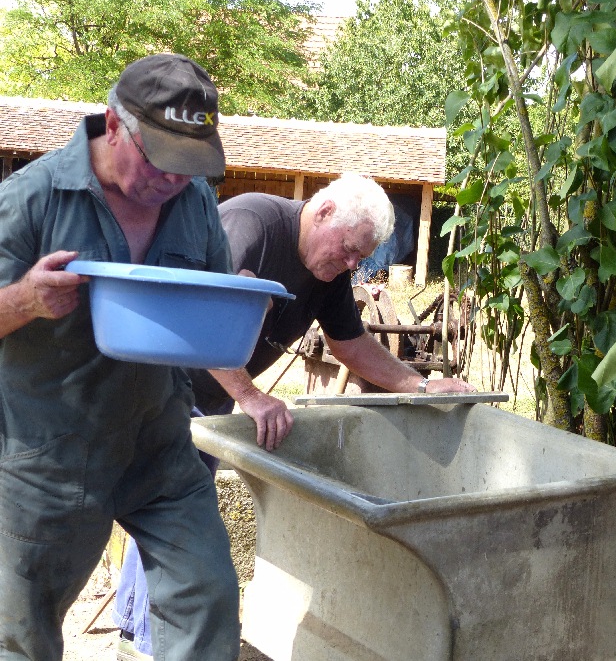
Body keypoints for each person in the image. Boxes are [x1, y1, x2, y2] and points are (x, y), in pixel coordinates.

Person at [113, 173, 477, 659]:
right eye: (349, 250)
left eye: (360, 258)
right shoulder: (253, 224)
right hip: (155, 385)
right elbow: (201, 317)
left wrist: (422, 385)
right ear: (324, 212)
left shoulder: (330, 272)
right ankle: (148, 644)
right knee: (175, 515)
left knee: (172, 514)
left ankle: (140, 635)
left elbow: (350, 344)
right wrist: (251, 395)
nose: (352, 264)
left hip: (210, 393)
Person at [0, 54, 241, 660]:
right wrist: (25, 299)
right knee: (23, 633)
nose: (174, 179)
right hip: (48, 455)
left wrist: (236, 313)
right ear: (113, 125)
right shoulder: (33, 197)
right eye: (160, 159)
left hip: (158, 443)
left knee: (207, 592)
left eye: (190, 164)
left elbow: (210, 306)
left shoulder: (194, 202)